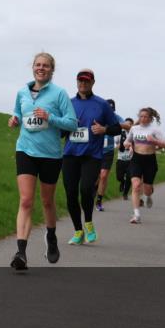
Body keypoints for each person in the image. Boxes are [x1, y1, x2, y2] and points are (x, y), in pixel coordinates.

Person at [8, 52, 78, 271]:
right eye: (38, 65)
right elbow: (18, 113)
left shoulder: (59, 94)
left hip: (50, 154)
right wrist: (14, 119)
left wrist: (50, 117)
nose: (41, 68)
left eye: (45, 66)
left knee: (47, 201)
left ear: (52, 70)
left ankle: (51, 236)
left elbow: (72, 124)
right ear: (33, 68)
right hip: (25, 150)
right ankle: (21, 252)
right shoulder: (22, 92)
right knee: (26, 200)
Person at [61, 69, 126, 245]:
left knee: (86, 189)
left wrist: (104, 130)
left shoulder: (102, 104)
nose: (83, 84)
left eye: (87, 81)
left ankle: (88, 222)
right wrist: (65, 127)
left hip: (92, 156)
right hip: (70, 155)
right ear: (76, 82)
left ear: (92, 83)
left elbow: (117, 128)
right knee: (71, 193)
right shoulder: (68, 103)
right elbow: (60, 131)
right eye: (80, 81)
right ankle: (77, 230)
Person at [126, 107, 165, 224]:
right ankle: (137, 215)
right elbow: (127, 141)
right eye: (141, 116)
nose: (143, 118)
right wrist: (128, 145)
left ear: (150, 118)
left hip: (149, 160)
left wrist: (154, 141)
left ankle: (148, 196)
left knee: (147, 189)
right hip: (136, 159)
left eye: (146, 117)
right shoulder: (134, 128)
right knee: (135, 185)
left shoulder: (155, 130)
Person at [95, 98, 126, 211]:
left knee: (103, 176)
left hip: (108, 151)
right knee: (95, 177)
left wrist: (124, 125)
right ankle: (94, 190)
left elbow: (125, 123)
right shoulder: (97, 115)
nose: (110, 113)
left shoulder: (115, 118)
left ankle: (99, 201)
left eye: (112, 110)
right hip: (95, 149)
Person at [116, 118, 135, 198]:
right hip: (121, 158)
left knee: (129, 177)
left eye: (129, 124)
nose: (127, 125)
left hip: (131, 159)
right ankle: (122, 182)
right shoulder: (120, 133)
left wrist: (131, 147)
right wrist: (119, 145)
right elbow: (116, 144)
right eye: (126, 124)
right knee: (119, 176)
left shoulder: (134, 134)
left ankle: (125, 193)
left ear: (132, 125)